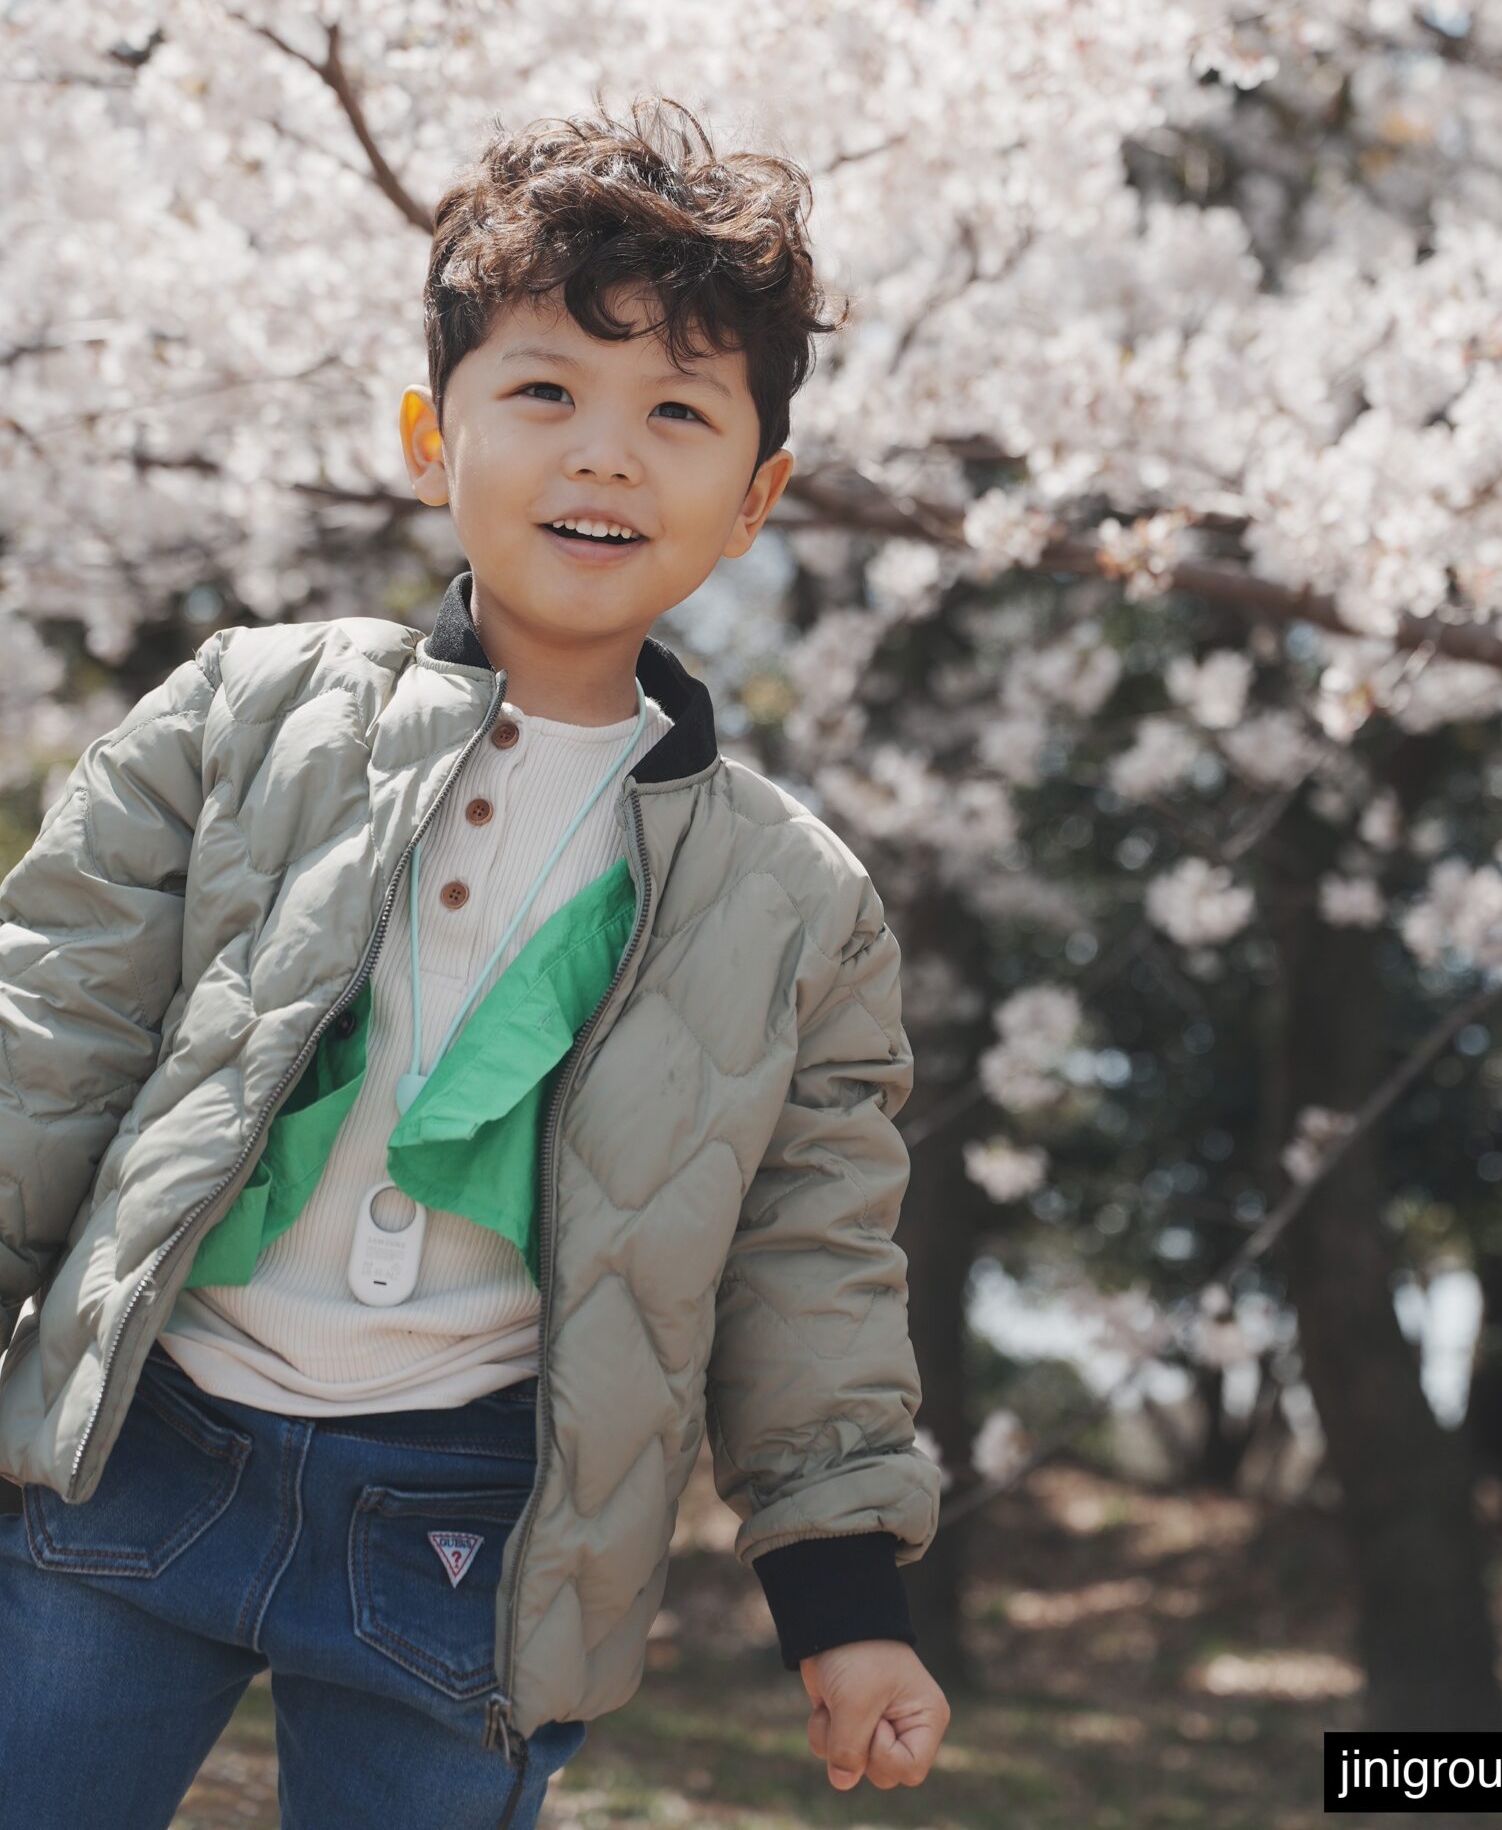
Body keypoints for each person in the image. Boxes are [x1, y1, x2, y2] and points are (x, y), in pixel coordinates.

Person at [0, 98, 950, 1829]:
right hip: (141, 1443)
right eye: (544, 395)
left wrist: (844, 1604)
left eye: (676, 412)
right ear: (434, 439)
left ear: (756, 498)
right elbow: (45, 1045)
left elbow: (812, 1261)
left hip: (480, 1531)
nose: (605, 454)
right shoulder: (244, 714)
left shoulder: (795, 900)